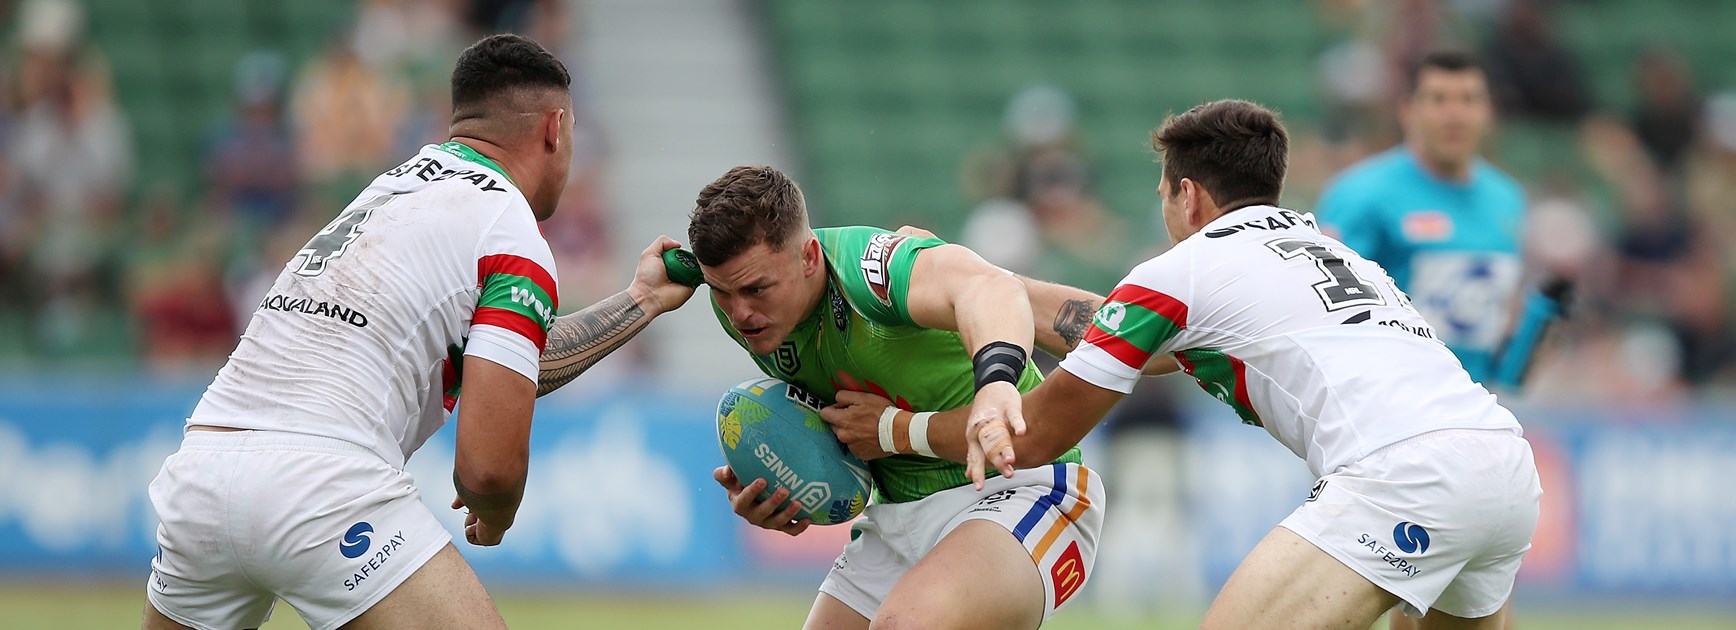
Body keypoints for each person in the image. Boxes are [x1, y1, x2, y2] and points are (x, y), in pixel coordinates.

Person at [824, 100, 1542, 629]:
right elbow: (1115, 333)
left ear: (1187, 195)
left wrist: (894, 430)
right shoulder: (1328, 252)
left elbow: (1033, 436)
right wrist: (965, 279)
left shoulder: (1184, 270)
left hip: (1404, 474)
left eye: (1164, 194)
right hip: (1504, 465)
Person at [142, 34, 694, 630]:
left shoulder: (390, 190)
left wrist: (641, 301)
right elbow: (487, 469)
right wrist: (495, 509)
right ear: (555, 129)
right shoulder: (508, 226)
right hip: (324, 486)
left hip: (200, 473)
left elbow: (511, 361)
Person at [680, 165, 1108, 629]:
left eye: (756, 289)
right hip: (896, 516)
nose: (740, 313)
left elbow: (990, 287)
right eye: (722, 293)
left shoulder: (869, 270)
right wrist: (784, 487)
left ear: (809, 257)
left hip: (1022, 490)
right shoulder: (743, 305)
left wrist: (997, 381)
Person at [1314, 50, 1560, 388]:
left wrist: (1532, 336)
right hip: (1386, 400)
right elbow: (1324, 314)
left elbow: (1494, 324)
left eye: (1468, 99)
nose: (1455, 114)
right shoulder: (1361, 195)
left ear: (1488, 111)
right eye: (1439, 99)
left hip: (1474, 401)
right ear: (1408, 110)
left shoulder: (1507, 199)